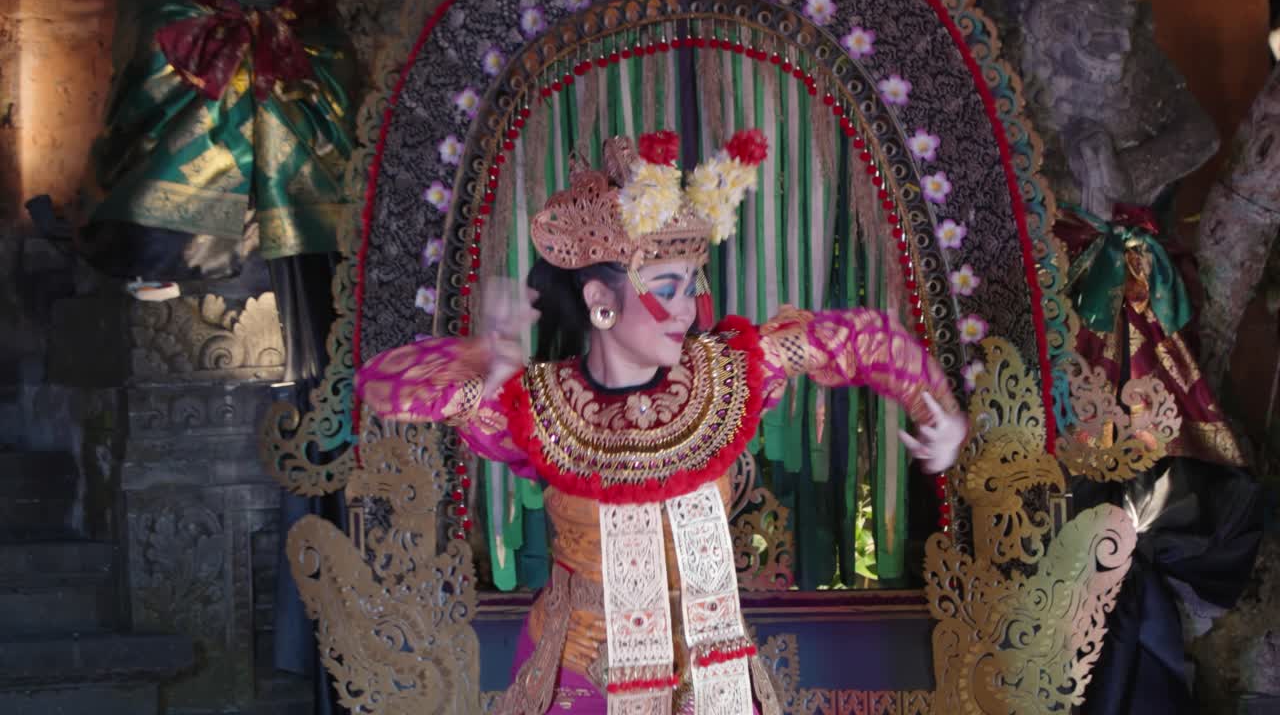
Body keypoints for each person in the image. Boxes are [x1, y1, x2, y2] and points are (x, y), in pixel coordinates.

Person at [357, 130, 968, 714]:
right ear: (601, 300)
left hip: (714, 682)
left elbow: (855, 341)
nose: (686, 309)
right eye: (667, 288)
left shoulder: (727, 377)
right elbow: (383, 385)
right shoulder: (537, 405)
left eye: (691, 286)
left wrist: (931, 405)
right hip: (581, 679)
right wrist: (480, 356)